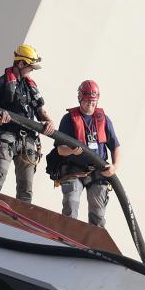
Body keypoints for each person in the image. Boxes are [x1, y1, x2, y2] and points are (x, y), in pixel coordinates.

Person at [0, 44, 56, 203]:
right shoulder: (0, 83)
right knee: (0, 173)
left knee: (26, 186)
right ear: (21, 64)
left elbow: (40, 111)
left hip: (28, 141)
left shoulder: (30, 87)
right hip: (6, 137)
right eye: (30, 67)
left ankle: (21, 221)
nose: (32, 70)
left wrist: (49, 121)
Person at [55, 80, 121, 227]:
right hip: (75, 171)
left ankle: (95, 246)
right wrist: (71, 150)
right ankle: (67, 240)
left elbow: (116, 146)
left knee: (98, 214)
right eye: (87, 101)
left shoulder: (103, 120)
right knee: (71, 204)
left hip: (99, 172)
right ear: (80, 98)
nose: (90, 105)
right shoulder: (68, 119)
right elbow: (60, 149)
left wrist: (114, 167)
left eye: (93, 102)